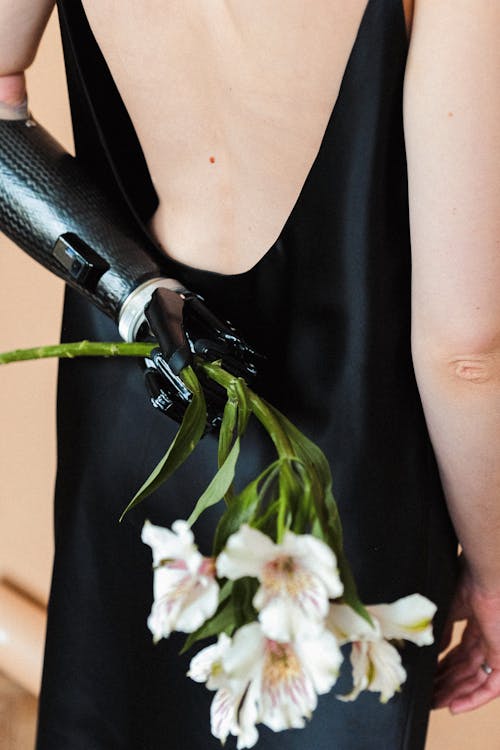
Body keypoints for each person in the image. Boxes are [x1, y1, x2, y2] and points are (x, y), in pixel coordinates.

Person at [0, 0, 499, 748]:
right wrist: (494, 571)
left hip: (137, 418)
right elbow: (465, 352)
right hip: (344, 481)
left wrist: (133, 292)